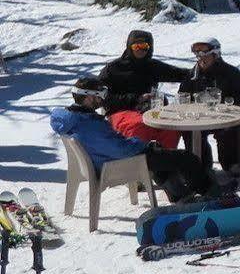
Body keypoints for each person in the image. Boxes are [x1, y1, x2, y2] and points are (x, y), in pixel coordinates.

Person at [51, 74, 214, 202]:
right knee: (187, 158)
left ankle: (180, 195)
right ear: (87, 97)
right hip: (116, 165)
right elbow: (119, 150)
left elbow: (112, 145)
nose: (102, 100)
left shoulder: (73, 118)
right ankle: (211, 193)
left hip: (104, 160)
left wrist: (147, 146)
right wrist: (143, 145)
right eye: (99, 96)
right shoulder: (88, 124)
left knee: (161, 154)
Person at [102, 29, 191, 145]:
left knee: (170, 127)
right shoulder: (113, 69)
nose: (140, 50)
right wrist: (136, 99)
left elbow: (180, 74)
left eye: (144, 46)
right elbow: (102, 97)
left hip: (149, 110)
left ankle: (167, 158)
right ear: (129, 46)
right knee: (140, 126)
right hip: (121, 111)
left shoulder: (152, 66)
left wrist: (204, 70)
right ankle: (137, 160)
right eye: (136, 46)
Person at [183, 36, 240, 172]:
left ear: (215, 54)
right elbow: (183, 95)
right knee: (189, 131)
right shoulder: (193, 75)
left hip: (224, 116)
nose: (200, 57)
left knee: (228, 130)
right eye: (197, 53)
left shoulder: (231, 73)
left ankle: (231, 163)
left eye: (204, 53)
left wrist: (226, 107)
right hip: (200, 118)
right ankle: (202, 165)